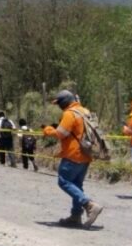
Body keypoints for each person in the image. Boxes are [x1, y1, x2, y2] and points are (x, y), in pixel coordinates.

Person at [43, 90, 104, 228]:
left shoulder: (69, 114)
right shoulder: (85, 111)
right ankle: (75, 216)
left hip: (73, 154)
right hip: (86, 154)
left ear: (64, 102)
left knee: (63, 181)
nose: (58, 106)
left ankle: (89, 205)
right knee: (77, 185)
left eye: (59, 103)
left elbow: (61, 133)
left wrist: (48, 131)